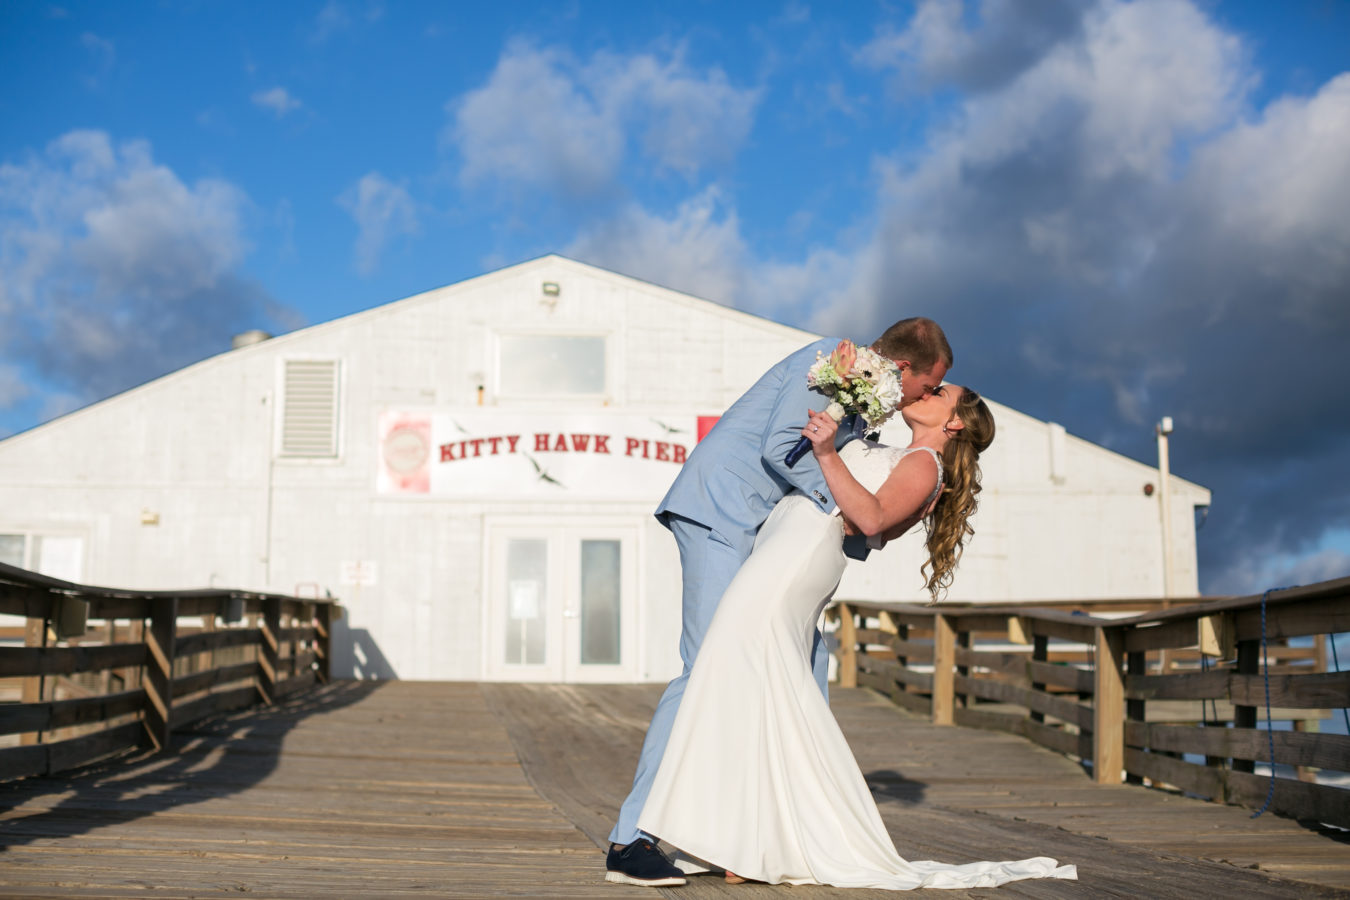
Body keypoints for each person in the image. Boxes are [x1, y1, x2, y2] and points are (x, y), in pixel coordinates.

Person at [635, 385, 1078, 889]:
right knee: (757, 683)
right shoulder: (909, 453)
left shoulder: (925, 463)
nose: (926, 392)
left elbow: (870, 520)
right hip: (789, 547)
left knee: (735, 666)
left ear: (953, 423)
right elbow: (871, 525)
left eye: (939, 392)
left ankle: (750, 837)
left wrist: (826, 452)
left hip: (795, 560)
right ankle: (751, 837)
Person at [604, 318, 953, 887]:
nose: (925, 397)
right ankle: (631, 838)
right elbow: (779, 449)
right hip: (722, 511)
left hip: (761, 536)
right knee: (707, 669)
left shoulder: (869, 399)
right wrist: (837, 509)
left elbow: (863, 477)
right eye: (928, 385)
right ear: (907, 368)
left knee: (806, 666)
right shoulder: (833, 362)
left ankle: (763, 829)